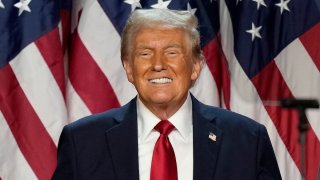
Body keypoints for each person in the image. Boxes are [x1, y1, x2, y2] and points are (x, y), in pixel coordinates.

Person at [52, 9, 282, 180]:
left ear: (195, 67)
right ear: (129, 69)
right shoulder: (83, 141)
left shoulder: (247, 140)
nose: (158, 65)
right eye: (145, 53)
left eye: (172, 52)